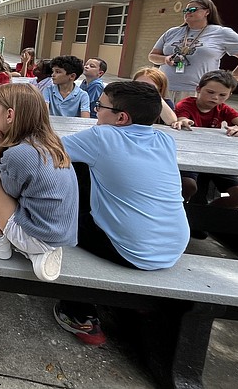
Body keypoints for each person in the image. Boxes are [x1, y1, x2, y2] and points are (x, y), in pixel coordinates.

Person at [54, 81, 189, 345]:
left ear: (121, 118)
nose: (95, 112)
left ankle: (77, 311)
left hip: (131, 250)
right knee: (83, 173)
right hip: (174, 245)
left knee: (53, 211)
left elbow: (41, 150)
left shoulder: (103, 137)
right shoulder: (165, 139)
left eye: (100, 106)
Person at [0, 84, 78, 281]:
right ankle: (35, 252)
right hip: (55, 235)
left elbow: (5, 191)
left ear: (10, 115)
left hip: (33, 234)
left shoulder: (19, 153)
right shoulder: (48, 144)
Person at [148, 0, 238, 103]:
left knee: (188, 122)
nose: (188, 12)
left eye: (192, 9)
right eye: (185, 10)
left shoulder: (221, 33)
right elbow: (153, 56)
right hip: (163, 88)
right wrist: (165, 59)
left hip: (196, 91)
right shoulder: (172, 32)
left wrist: (229, 81)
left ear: (207, 12)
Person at [174, 70, 238, 208]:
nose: (215, 98)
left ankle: (205, 214)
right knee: (188, 186)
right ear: (198, 89)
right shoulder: (186, 104)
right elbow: (182, 118)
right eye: (210, 92)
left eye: (222, 95)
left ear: (229, 95)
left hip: (215, 158)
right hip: (189, 156)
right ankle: (179, 212)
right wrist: (184, 122)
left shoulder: (223, 109)